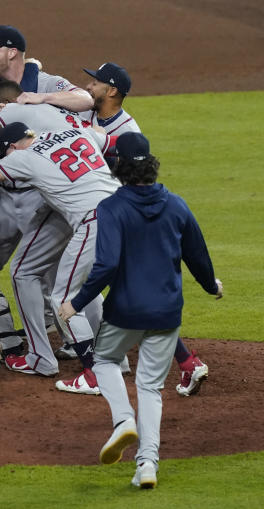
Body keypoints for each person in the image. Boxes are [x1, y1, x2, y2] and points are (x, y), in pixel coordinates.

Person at [58, 132, 223, 488]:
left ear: (117, 167)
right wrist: (212, 287)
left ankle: (122, 421)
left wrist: (76, 302)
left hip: (126, 311)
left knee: (103, 361)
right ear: (150, 164)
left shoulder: (112, 207)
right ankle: (147, 465)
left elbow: (105, 266)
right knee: (150, 387)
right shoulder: (177, 204)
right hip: (166, 313)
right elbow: (198, 255)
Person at [81, 62, 210, 395]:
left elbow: (134, 178)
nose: (89, 85)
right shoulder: (93, 112)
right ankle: (187, 363)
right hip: (114, 212)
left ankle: (102, 366)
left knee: (123, 288)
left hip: (122, 214)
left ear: (112, 90)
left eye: (95, 82)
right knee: (129, 290)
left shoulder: (128, 131)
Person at [0, 121, 120, 393]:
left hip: (95, 220)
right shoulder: (73, 131)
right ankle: (112, 358)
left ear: (11, 148)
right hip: (125, 208)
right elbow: (106, 137)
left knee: (62, 296)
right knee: (110, 284)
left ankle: (90, 371)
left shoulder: (22, 157)